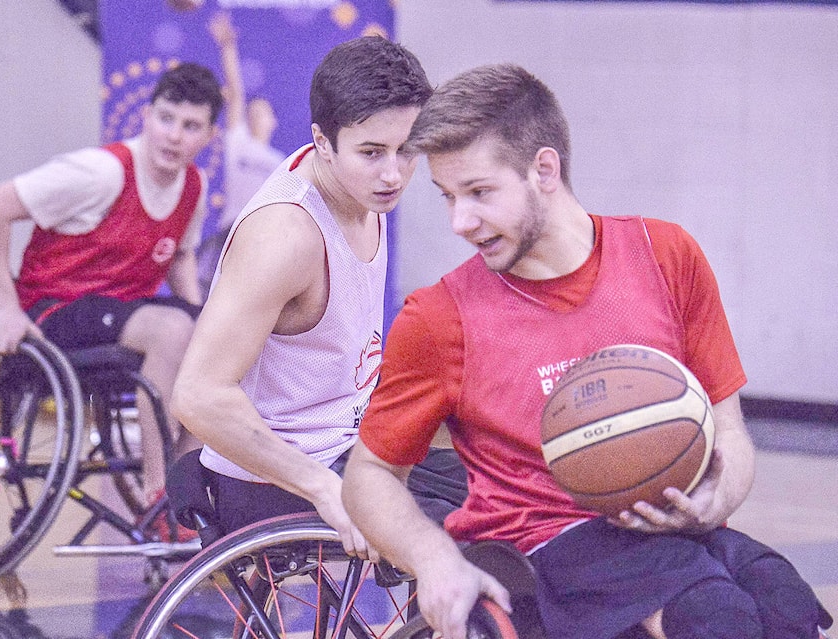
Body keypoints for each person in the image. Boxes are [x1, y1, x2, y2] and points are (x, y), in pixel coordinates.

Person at [342, 63, 832, 639]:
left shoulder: (666, 254)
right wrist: (433, 557)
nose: (460, 221)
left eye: (478, 193)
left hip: (667, 534)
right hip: (540, 550)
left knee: (784, 602)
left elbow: (730, 431)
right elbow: (368, 475)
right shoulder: (440, 316)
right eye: (448, 196)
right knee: (714, 616)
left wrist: (713, 498)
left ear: (543, 169)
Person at [168, 36, 465, 555]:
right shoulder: (285, 237)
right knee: (489, 543)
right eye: (372, 152)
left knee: (517, 489)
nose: (393, 173)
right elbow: (197, 396)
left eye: (408, 149)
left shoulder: (363, 189)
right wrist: (322, 487)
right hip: (274, 482)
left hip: (349, 447)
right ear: (322, 142)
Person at [0, 63, 223, 518]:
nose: (174, 136)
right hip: (54, 309)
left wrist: (206, 324)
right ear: (146, 116)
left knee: (220, 336)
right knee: (171, 331)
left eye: (191, 127)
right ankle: (158, 483)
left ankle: (190, 478)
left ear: (208, 136)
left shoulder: (194, 187)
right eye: (166, 119)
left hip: (121, 310)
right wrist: (5, 307)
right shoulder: (99, 173)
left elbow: (180, 256)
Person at [197, 11, 285, 299]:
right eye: (252, 111)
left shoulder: (282, 163)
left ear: (273, 121)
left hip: (264, 242)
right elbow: (235, 92)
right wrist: (228, 47)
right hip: (229, 235)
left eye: (264, 111)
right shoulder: (239, 144)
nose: (256, 115)